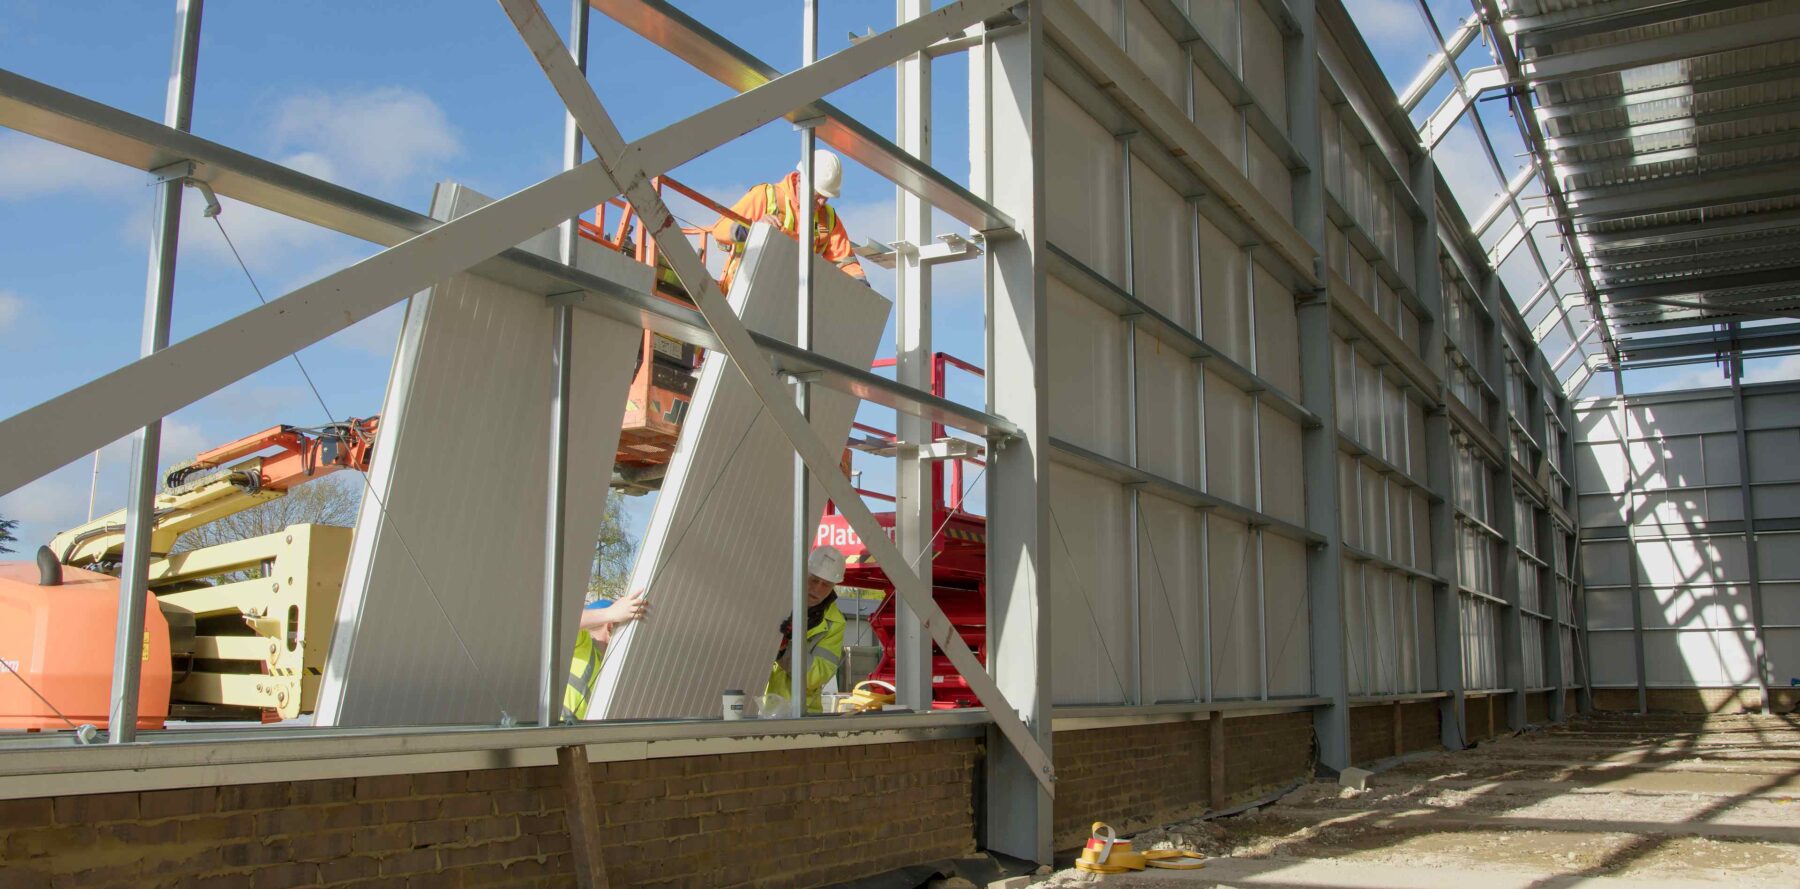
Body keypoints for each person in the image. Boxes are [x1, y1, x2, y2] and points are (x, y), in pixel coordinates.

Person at [711, 150, 868, 292]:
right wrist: (753, 230)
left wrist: (862, 289)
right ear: (800, 179)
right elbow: (720, 229)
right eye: (818, 194)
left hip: (788, 302)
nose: (821, 202)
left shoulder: (826, 220)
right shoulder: (766, 196)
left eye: (826, 197)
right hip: (742, 291)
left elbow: (845, 262)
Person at [766, 545, 848, 714]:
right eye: (814, 580)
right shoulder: (775, 602)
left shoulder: (835, 623)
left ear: (834, 585)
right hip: (758, 704)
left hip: (803, 714)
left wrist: (784, 651)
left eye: (825, 584)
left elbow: (817, 676)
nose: (817, 589)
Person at [562, 587, 648, 722]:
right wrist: (610, 613)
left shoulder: (609, 668)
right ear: (610, 627)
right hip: (552, 736)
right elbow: (560, 618)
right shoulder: (582, 644)